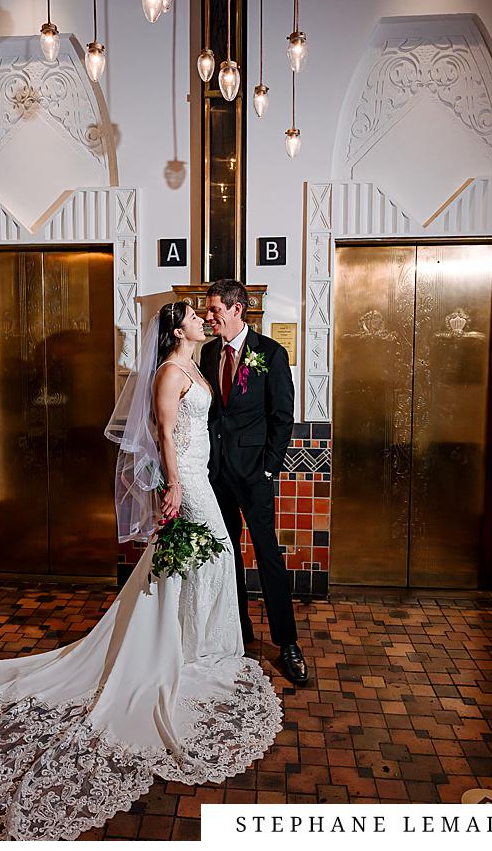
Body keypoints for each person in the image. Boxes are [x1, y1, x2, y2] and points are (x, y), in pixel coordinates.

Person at [0, 302, 282, 841]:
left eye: (209, 315)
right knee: (207, 559)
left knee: (204, 564)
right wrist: (174, 487)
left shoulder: (195, 367)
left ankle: (197, 642)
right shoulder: (167, 373)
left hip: (204, 476)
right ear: (178, 329)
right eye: (196, 318)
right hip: (191, 486)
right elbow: (163, 434)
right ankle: (182, 646)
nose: (205, 321)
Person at [200, 279, 308, 685]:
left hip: (255, 475)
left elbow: (283, 416)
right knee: (226, 558)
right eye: (208, 312)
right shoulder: (209, 353)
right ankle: (238, 634)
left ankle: (288, 643)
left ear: (237, 309)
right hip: (217, 475)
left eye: (215, 311)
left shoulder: (271, 353)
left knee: (268, 557)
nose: (210, 318)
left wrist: (269, 469)